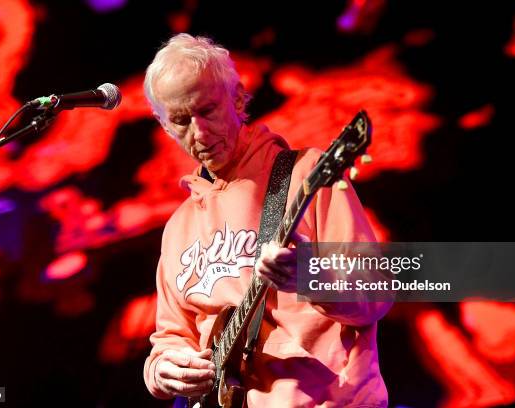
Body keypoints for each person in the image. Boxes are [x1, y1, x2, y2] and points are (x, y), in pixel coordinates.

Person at [142, 33, 392, 407]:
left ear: (238, 98)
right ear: (164, 127)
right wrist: (161, 371)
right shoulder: (178, 226)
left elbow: (376, 293)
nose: (200, 132)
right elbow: (172, 335)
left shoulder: (306, 175)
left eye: (208, 110)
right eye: (180, 120)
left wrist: (311, 276)